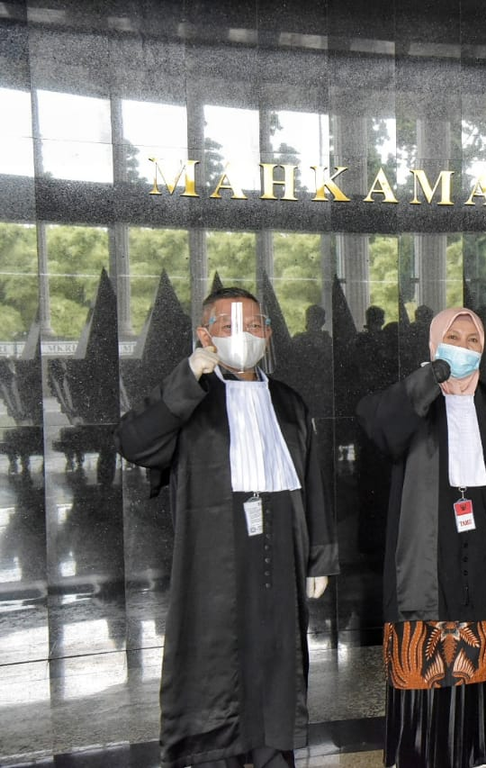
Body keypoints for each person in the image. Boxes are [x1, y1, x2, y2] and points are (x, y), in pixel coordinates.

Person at [115, 286, 338, 768]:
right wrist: (187, 377)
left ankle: (272, 754)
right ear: (205, 335)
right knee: (215, 660)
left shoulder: (289, 402)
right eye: (229, 326)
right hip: (214, 551)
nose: (245, 335)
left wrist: (319, 555)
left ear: (269, 334)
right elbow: (134, 442)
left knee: (278, 656)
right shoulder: (189, 395)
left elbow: (312, 480)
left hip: (281, 545)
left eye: (255, 326)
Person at [357, 307, 486, 768]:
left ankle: (470, 757)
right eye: (453, 338)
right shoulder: (412, 398)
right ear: (433, 343)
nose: (463, 348)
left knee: (472, 666)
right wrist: (432, 378)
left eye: (472, 340)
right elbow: (381, 428)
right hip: (423, 552)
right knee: (420, 671)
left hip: (476, 550)